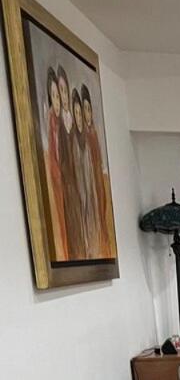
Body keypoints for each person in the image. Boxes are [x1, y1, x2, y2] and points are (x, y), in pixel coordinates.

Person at [80, 85, 113, 258]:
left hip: (96, 183)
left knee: (99, 212)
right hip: (86, 183)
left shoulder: (93, 134)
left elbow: (98, 162)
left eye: (88, 109)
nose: (86, 114)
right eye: (83, 109)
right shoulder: (81, 135)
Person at [56, 67, 83, 259]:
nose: (63, 97)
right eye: (60, 92)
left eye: (65, 91)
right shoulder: (56, 124)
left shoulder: (75, 131)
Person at [42, 67, 68, 259]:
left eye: (60, 95)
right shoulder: (52, 121)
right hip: (57, 179)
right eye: (55, 96)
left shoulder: (65, 125)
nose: (59, 101)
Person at [70, 89, 98, 259]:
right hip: (79, 190)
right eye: (77, 113)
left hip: (89, 188)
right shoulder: (73, 140)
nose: (81, 117)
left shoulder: (88, 139)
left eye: (83, 112)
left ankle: (91, 246)